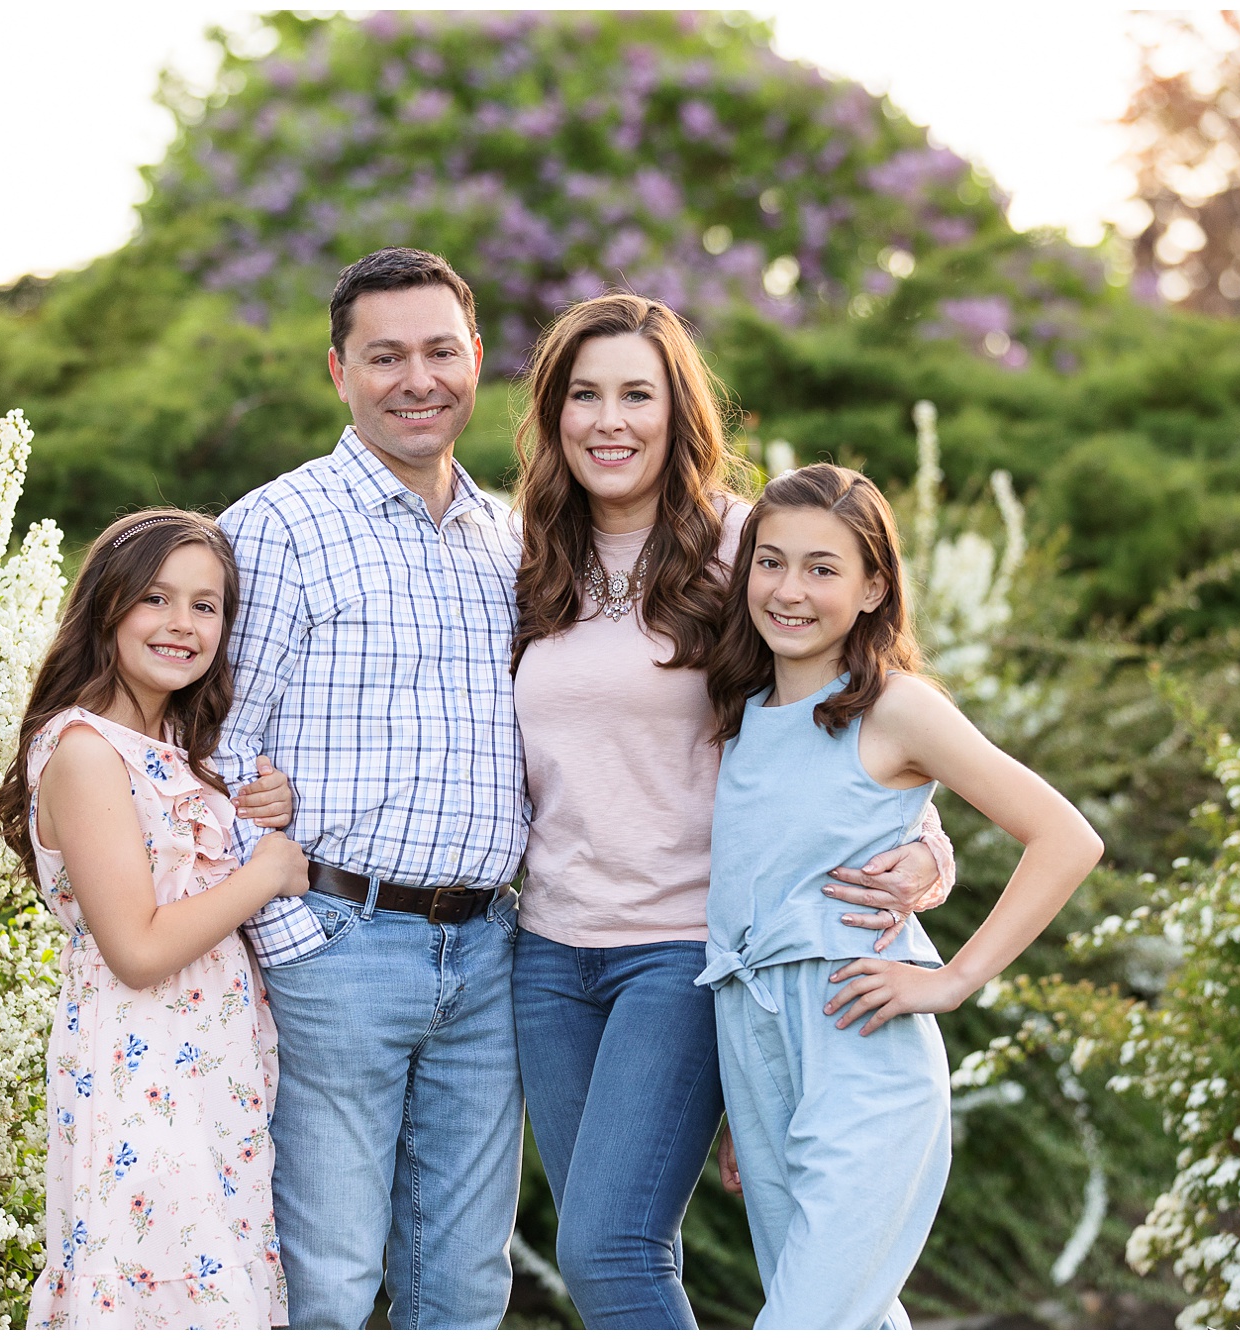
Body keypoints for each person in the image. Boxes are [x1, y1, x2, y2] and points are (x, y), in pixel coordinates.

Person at [498, 294, 955, 1329]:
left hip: (683, 951)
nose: (607, 420)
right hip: (548, 956)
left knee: (605, 1245)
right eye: (583, 394)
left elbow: (854, 715)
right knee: (608, 1252)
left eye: (635, 394)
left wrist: (925, 851)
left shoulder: (750, 546)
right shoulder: (526, 557)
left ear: (677, 413)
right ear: (551, 412)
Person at [698, 465, 1103, 1330]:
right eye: (770, 563)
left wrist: (953, 980)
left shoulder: (898, 708)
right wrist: (742, 1098)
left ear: (874, 585)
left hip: (862, 1046)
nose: (789, 590)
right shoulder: (741, 711)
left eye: (822, 568)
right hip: (756, 1049)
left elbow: (1067, 838)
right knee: (855, 1319)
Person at [213, 248, 528, 1329]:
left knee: (463, 1283)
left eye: (440, 350)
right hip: (338, 944)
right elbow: (211, 752)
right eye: (383, 355)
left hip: (487, 955)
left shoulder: (512, 540)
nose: (416, 378)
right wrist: (296, 937)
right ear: (337, 370)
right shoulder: (276, 528)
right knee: (329, 1280)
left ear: (475, 358)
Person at [0, 508, 309, 1329]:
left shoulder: (170, 745)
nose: (183, 624)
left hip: (208, 1076)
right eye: (157, 599)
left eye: (207, 606)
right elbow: (136, 946)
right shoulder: (86, 751)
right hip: (141, 1072)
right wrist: (267, 873)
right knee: (150, 1293)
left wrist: (257, 814)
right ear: (108, 607)